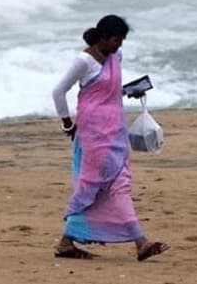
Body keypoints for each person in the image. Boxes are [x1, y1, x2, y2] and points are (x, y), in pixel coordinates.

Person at [50, 14, 169, 262]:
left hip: (115, 131)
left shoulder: (116, 57)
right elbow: (59, 91)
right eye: (116, 40)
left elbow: (109, 89)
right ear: (102, 38)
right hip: (93, 137)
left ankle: (70, 242)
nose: (119, 46)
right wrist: (66, 123)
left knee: (118, 184)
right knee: (93, 187)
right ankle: (139, 242)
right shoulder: (84, 61)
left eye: (122, 41)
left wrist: (130, 92)